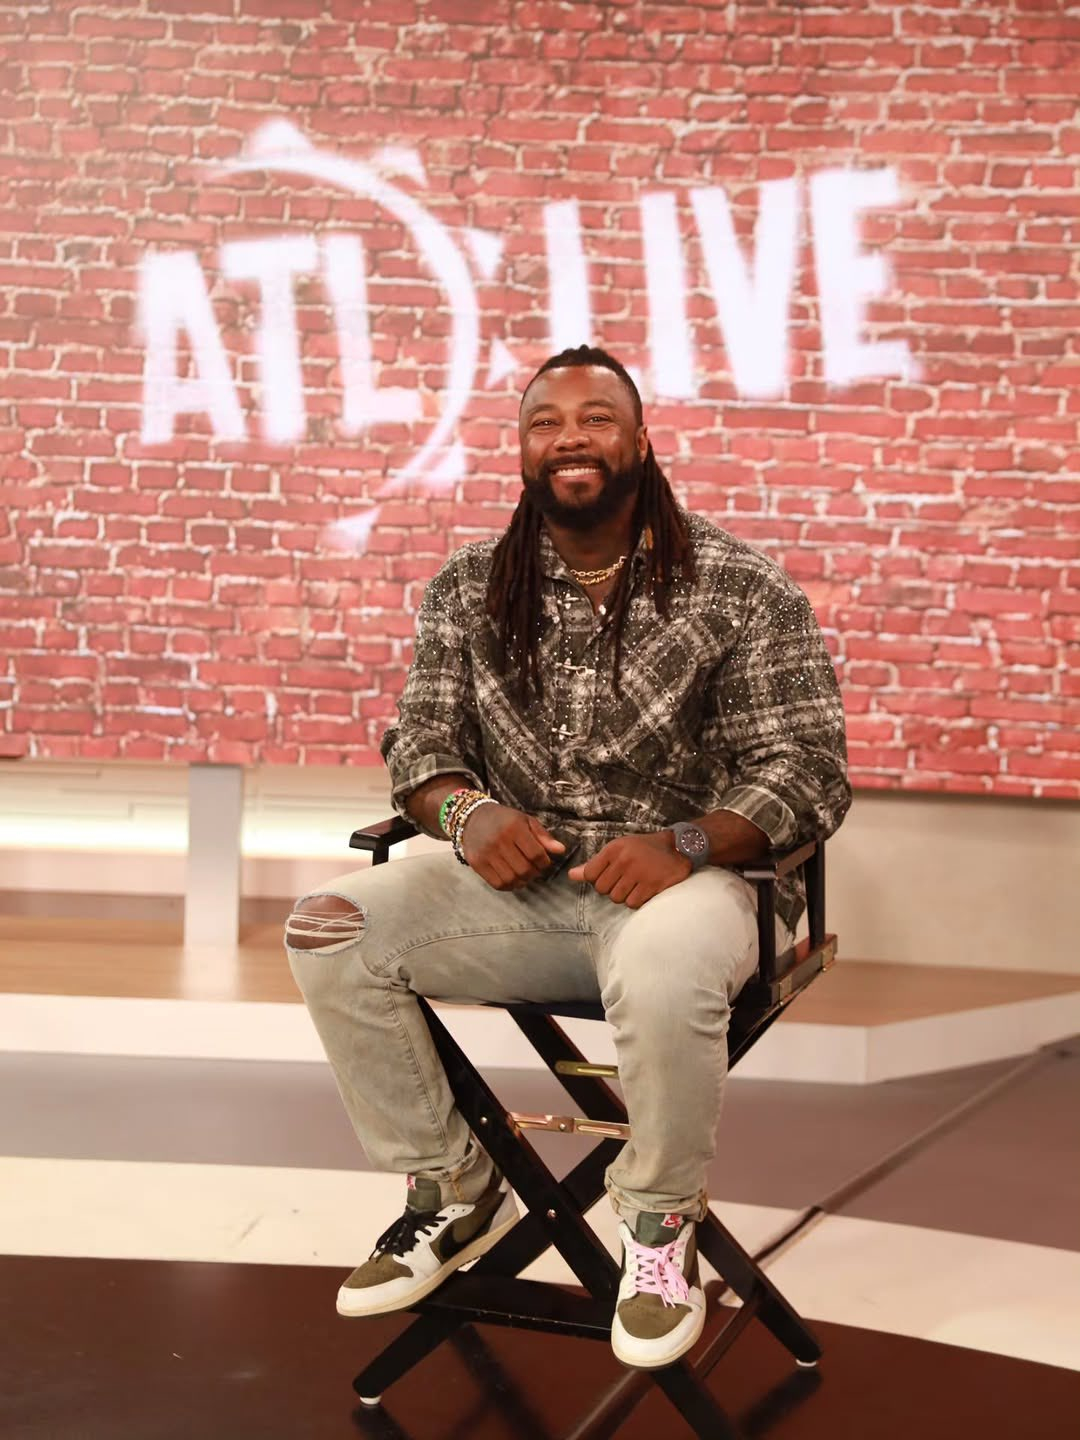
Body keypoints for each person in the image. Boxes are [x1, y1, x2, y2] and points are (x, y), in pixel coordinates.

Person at [286, 344, 851, 1370]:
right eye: (545, 422)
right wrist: (465, 815)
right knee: (330, 923)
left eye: (596, 419)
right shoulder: (470, 586)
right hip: (524, 896)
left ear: (641, 442)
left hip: (697, 893)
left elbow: (808, 771)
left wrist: (684, 843)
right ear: (521, 451)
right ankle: (454, 1188)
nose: (569, 438)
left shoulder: (740, 587)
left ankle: (660, 1225)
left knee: (663, 960)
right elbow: (419, 744)